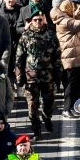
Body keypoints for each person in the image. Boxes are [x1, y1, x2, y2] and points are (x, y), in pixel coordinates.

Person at [15, 8, 61, 139]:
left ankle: (47, 117)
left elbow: (57, 56)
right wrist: (19, 77)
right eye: (35, 20)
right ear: (31, 21)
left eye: (40, 19)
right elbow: (19, 58)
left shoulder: (51, 35)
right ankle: (36, 129)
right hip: (31, 77)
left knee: (49, 101)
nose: (38, 22)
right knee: (32, 105)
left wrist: (59, 74)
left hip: (48, 76)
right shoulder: (25, 36)